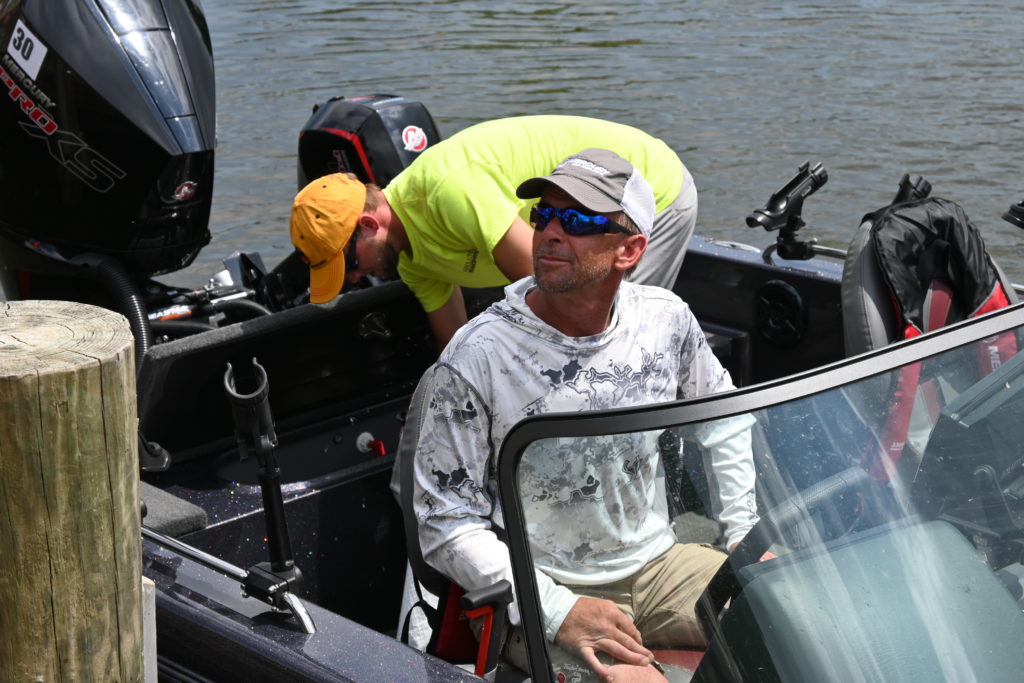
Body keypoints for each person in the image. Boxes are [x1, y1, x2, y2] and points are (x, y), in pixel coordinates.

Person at [408, 148, 758, 682]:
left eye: (576, 220)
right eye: (543, 215)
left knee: (792, 608)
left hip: (661, 566)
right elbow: (443, 522)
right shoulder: (477, 354)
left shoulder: (666, 321)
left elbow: (724, 417)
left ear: (630, 250)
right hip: (540, 586)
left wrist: (742, 536)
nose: (550, 232)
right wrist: (557, 610)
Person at [288, 115, 698, 348]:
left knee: (614, 348)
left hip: (648, 189)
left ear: (367, 225)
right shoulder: (412, 262)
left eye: (349, 264)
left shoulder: (447, 191)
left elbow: (554, 293)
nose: (353, 279)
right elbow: (457, 348)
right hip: (578, 228)